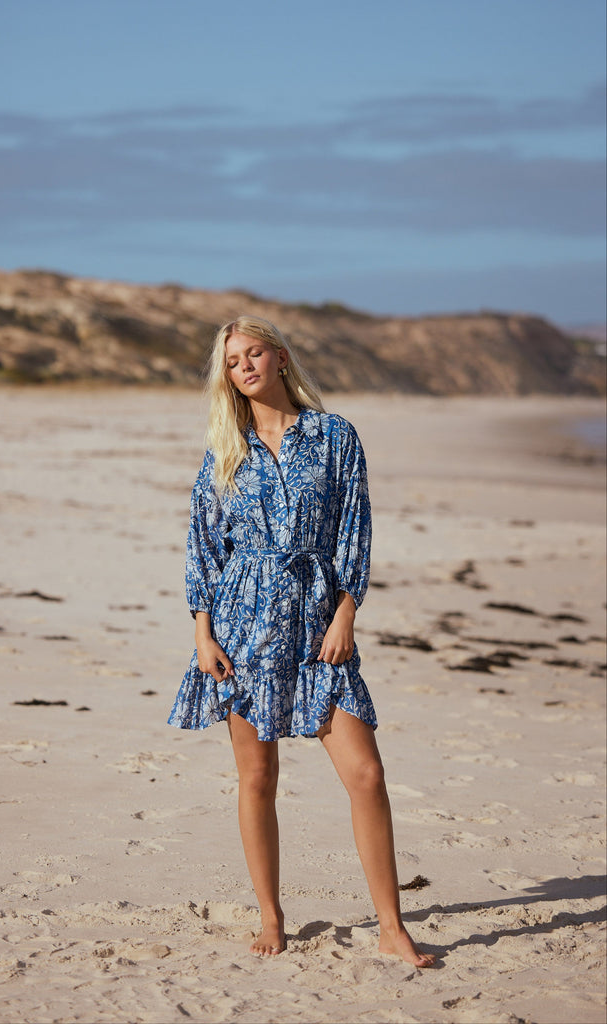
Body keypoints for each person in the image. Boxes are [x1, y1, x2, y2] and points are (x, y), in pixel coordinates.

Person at [168, 315, 435, 967]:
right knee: (257, 776)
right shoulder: (225, 445)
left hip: (318, 618)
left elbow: (355, 531)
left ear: (280, 357)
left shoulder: (334, 435)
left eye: (253, 353)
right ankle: (270, 914)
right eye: (232, 362)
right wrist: (202, 632)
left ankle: (392, 925)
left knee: (366, 774)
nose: (245, 367)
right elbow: (205, 544)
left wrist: (346, 612)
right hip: (241, 620)